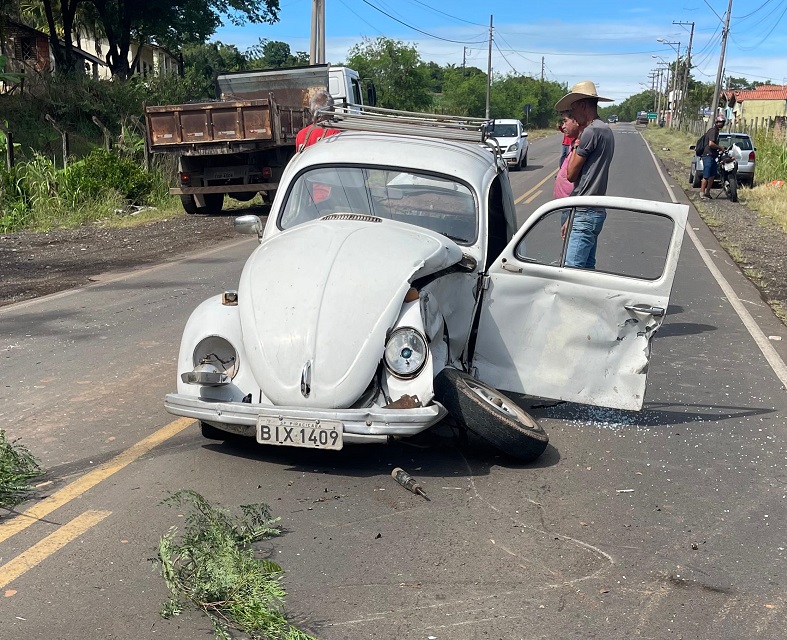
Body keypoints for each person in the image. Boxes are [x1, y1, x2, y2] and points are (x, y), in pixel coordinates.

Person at [554, 80, 615, 270]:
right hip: (595, 209)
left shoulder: (590, 132)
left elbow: (571, 175)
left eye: (574, 109)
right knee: (587, 268)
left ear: (582, 105)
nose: (574, 115)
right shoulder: (605, 130)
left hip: (584, 210)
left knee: (572, 270)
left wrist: (576, 143)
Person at [554, 116, 581, 200]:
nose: (563, 126)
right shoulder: (574, 143)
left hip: (570, 202)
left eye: (565, 121)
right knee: (563, 157)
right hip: (564, 202)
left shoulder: (579, 145)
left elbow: (571, 176)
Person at [699, 115, 726, 199]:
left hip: (713, 156)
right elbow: (711, 144)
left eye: (722, 122)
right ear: (716, 123)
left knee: (712, 175)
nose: (721, 124)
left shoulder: (717, 132)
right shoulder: (713, 131)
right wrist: (720, 147)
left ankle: (707, 192)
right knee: (706, 175)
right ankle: (702, 193)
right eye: (719, 122)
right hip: (708, 155)